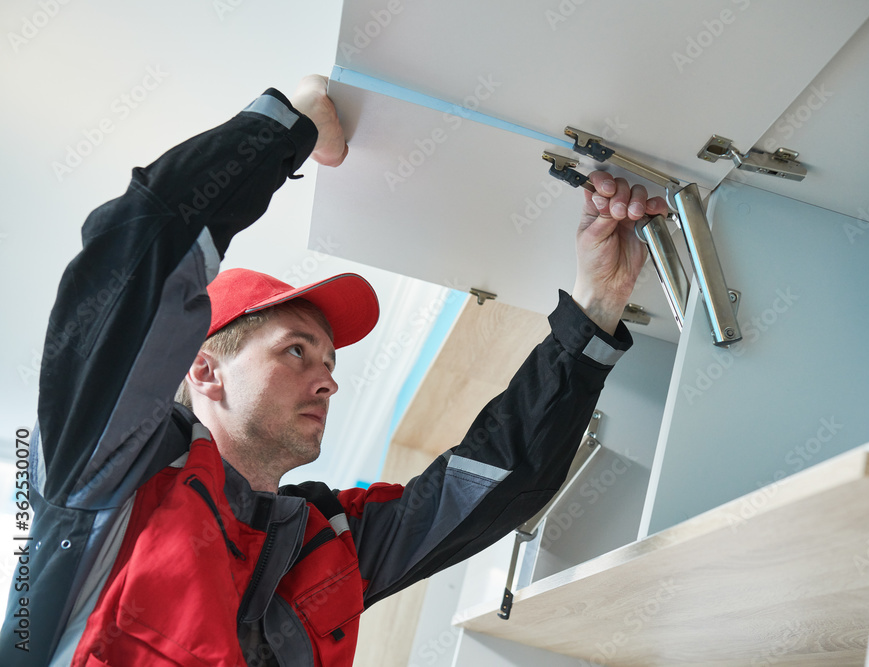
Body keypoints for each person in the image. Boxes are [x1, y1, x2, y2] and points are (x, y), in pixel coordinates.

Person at [1, 74, 667, 666]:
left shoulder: (328, 542)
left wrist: (596, 306)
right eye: (296, 350)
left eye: (329, 362)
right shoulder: (113, 471)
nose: (328, 379)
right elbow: (134, 264)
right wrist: (282, 128)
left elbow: (493, 482)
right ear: (205, 371)